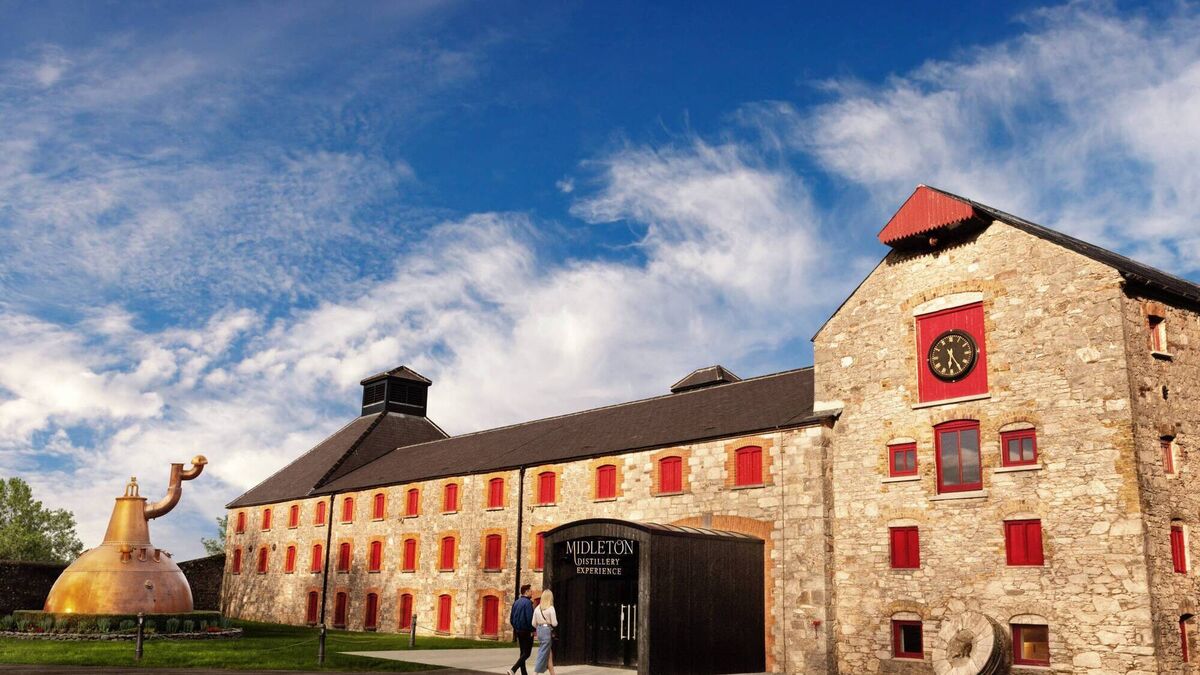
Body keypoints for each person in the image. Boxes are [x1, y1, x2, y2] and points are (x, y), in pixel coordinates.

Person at [507, 584, 534, 675]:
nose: (532, 592)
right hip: (526, 631)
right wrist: (532, 630)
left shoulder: (516, 602)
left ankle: (524, 673)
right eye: (530, 591)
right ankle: (513, 670)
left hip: (518, 630)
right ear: (526, 592)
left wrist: (516, 627)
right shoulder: (528, 603)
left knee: (522, 652)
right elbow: (530, 619)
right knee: (527, 653)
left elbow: (511, 618)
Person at [532, 589, 558, 675]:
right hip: (546, 630)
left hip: (539, 630)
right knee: (542, 653)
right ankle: (535, 673)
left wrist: (540, 625)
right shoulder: (551, 608)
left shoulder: (537, 608)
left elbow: (533, 623)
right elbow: (554, 623)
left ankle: (552, 673)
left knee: (548, 653)